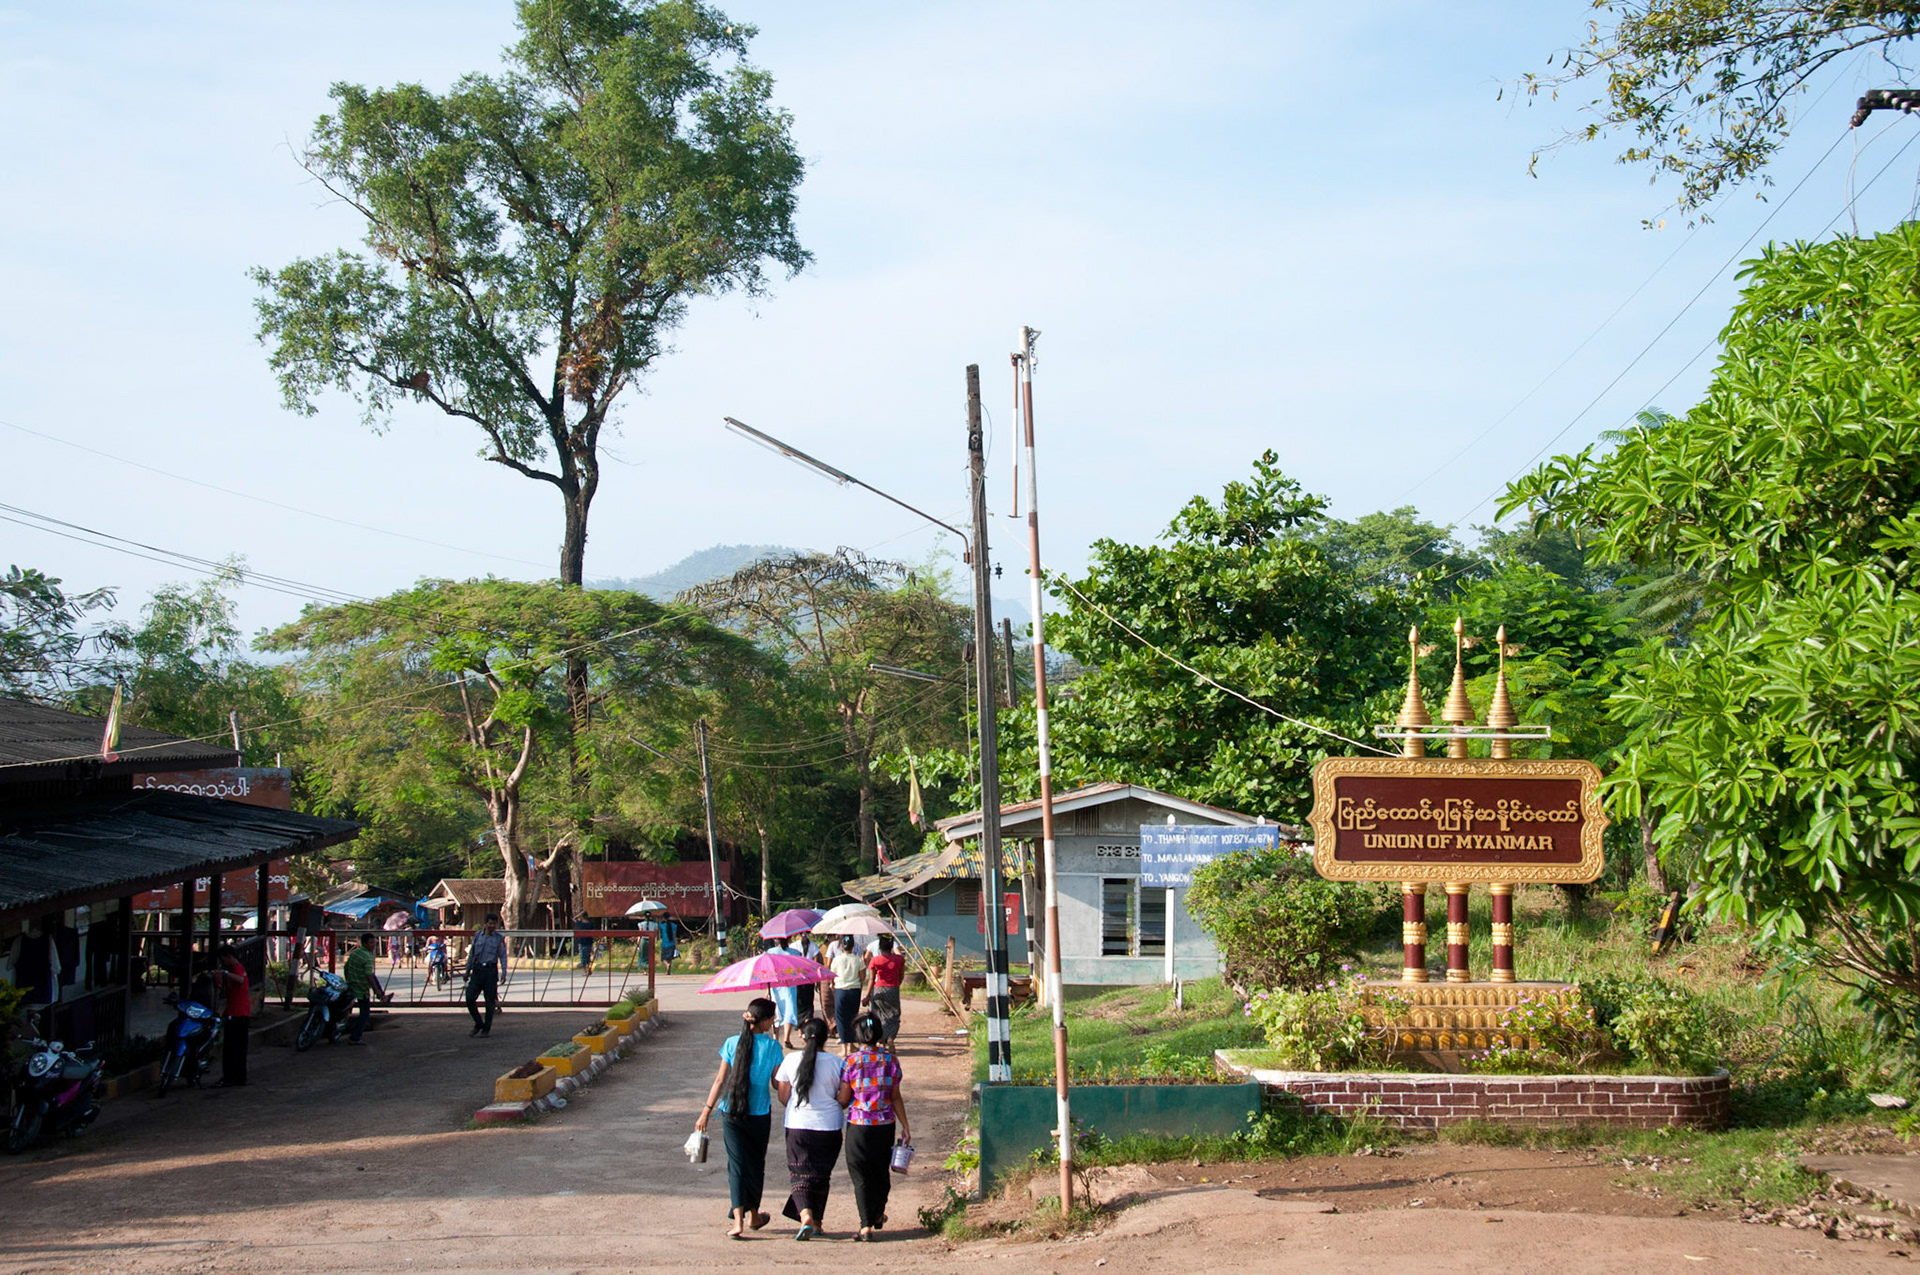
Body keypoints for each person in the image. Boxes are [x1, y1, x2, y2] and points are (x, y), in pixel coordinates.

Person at [694, 997, 781, 1240]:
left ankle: (740, 1221)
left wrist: (706, 1111)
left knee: (737, 1166)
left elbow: (720, 1080)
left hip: (731, 1112)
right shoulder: (773, 1047)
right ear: (764, 1021)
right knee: (755, 1165)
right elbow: (776, 1084)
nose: (773, 1022)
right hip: (759, 1114)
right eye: (771, 1018)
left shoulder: (732, 1043)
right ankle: (753, 1214)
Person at [837, 1010, 909, 1242]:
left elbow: (844, 1098)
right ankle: (877, 1212)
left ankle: (866, 1225)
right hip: (885, 1124)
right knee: (880, 1172)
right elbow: (895, 1096)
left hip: (858, 1125)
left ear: (857, 1036)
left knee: (860, 1174)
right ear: (879, 1033)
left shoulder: (850, 1062)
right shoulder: (891, 1061)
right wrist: (905, 1126)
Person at [773, 1016, 844, 1241]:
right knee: (822, 1175)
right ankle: (818, 1222)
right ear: (826, 1038)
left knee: (799, 1174)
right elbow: (844, 1097)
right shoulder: (837, 1063)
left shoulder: (791, 1060)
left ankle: (805, 1216)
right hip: (829, 1126)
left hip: (798, 1124)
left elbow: (783, 1096)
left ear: (802, 1037)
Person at [211, 945, 251, 1087]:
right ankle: (237, 1076)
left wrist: (225, 973)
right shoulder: (234, 970)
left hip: (237, 1013)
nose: (222, 962)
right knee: (237, 1047)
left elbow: (240, 980)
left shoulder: (236, 969)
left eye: (223, 959)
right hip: (236, 1011)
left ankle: (231, 1077)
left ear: (229, 957)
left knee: (232, 1047)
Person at [342, 933, 391, 1045]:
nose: (373, 945)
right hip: (361, 988)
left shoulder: (355, 953)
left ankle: (382, 996)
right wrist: (376, 990)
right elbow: (368, 975)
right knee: (364, 1013)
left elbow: (346, 967)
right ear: (364, 943)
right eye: (371, 943)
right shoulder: (367, 957)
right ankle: (355, 1037)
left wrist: (349, 979)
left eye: (374, 943)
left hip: (352, 984)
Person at [465, 914, 508, 1037]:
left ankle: (486, 1029)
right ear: (485, 923)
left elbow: (503, 956)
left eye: (494, 924)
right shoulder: (478, 936)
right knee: (470, 998)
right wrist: (467, 971)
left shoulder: (499, 938)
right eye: (490, 923)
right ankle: (479, 1023)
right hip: (478, 970)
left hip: (490, 971)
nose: (492, 926)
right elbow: (472, 954)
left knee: (489, 1002)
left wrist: (504, 972)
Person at [862, 933, 906, 1043]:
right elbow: (901, 976)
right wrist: (896, 985)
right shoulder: (899, 960)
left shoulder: (875, 960)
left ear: (880, 947)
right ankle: (890, 1037)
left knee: (877, 1016)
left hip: (878, 990)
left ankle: (881, 1039)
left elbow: (871, 979)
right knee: (893, 1015)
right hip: (893, 989)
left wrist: (867, 996)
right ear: (892, 946)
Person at [828, 935, 866, 1052]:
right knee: (853, 1017)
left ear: (841, 947)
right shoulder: (858, 959)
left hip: (840, 991)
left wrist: (832, 983)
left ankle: (844, 1047)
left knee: (841, 1018)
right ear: (853, 946)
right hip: (854, 991)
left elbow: (831, 975)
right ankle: (851, 1044)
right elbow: (863, 977)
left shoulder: (836, 960)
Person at [769, 938, 800, 1048]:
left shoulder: (770, 952)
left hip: (775, 985)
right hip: (790, 985)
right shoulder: (795, 953)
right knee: (789, 1010)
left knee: (776, 1011)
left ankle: (776, 1038)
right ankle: (786, 1038)